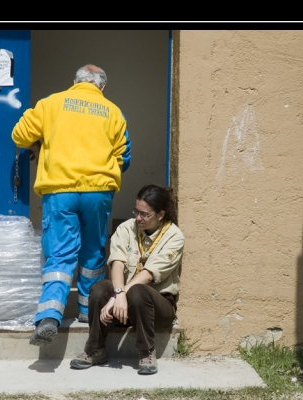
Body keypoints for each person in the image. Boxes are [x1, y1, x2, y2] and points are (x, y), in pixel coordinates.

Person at [11, 64, 132, 346]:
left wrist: (38, 146)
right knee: (92, 255)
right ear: (102, 87)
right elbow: (124, 158)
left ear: (74, 82)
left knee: (60, 255)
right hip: (98, 192)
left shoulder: (51, 103)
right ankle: (89, 313)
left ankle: (50, 316)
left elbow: (20, 135)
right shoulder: (113, 112)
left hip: (60, 190)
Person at [70, 184, 184, 375]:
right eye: (136, 211)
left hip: (156, 308)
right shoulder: (126, 228)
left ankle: (147, 352)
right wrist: (118, 292)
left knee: (138, 291)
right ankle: (95, 349)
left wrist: (117, 296)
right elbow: (117, 263)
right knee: (99, 289)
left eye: (144, 214)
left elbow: (148, 274)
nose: (138, 218)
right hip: (123, 305)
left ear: (160, 214)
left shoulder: (174, 236)